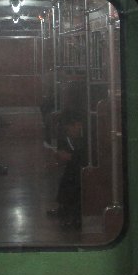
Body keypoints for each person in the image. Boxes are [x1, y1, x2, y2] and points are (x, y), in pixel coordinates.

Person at [47, 84, 87, 230]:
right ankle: (65, 208)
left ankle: (74, 214)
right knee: (68, 174)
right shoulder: (69, 113)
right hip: (79, 157)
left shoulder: (84, 118)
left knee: (73, 175)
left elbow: (88, 152)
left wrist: (70, 157)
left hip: (87, 158)